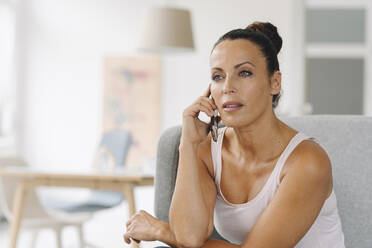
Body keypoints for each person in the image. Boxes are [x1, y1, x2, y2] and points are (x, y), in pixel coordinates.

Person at [123, 21, 345, 248]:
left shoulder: (308, 162)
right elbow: (188, 237)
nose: (228, 87)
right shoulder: (208, 150)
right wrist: (188, 144)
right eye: (218, 77)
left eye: (244, 73)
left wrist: (161, 229)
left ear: (274, 82)